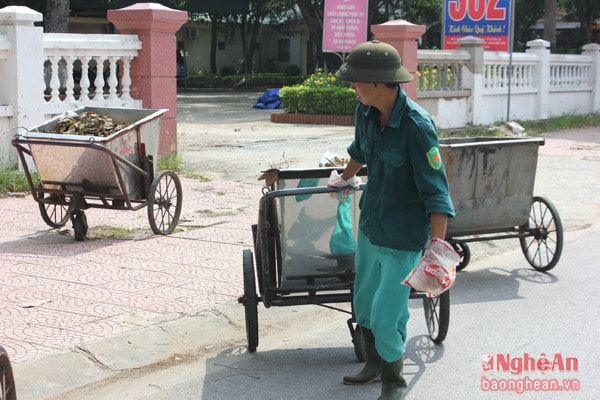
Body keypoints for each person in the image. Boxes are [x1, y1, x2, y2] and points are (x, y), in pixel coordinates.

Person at [328, 40, 456, 400]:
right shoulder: (365, 112)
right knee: (364, 301)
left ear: (376, 84)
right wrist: (345, 177)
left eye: (355, 81)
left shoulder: (417, 126)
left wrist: (436, 249)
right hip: (371, 224)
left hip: (402, 236)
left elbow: (437, 193)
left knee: (388, 313)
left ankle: (393, 382)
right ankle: (372, 365)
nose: (352, 86)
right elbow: (358, 151)